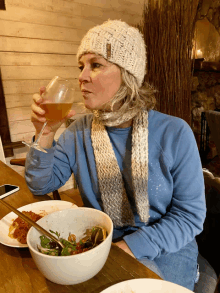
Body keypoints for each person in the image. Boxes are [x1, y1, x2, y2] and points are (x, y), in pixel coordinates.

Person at [25, 20, 206, 291]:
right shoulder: (77, 132)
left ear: (128, 73)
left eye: (95, 64)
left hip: (168, 246)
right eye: (81, 66)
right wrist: (46, 133)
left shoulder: (174, 133)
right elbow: (41, 184)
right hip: (103, 244)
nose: (82, 76)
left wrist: (129, 247)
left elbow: (189, 216)